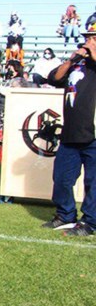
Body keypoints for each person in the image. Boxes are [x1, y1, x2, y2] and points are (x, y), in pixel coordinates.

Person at [42, 16, 96, 235]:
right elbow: (54, 77)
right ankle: (65, 215)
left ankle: (91, 222)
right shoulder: (79, 62)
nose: (88, 41)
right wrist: (72, 59)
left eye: (93, 38)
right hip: (71, 131)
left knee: (93, 182)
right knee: (62, 178)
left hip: (93, 134)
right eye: (88, 38)